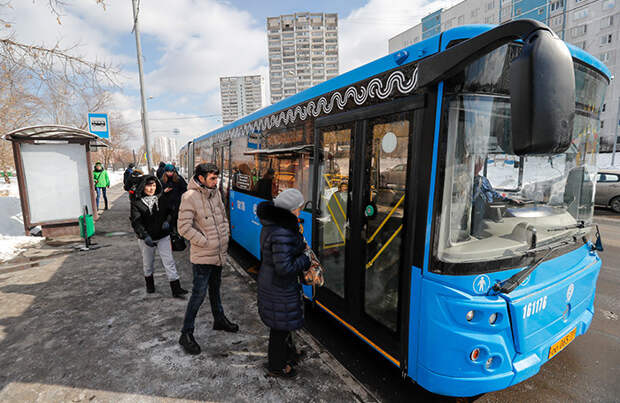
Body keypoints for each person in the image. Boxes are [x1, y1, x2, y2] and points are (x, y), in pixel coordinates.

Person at [178, 163, 239, 356]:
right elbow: (183, 228)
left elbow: (223, 218)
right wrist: (205, 242)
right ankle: (186, 333)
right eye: (212, 178)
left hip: (219, 253)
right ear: (201, 178)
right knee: (198, 294)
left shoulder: (215, 193)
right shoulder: (189, 197)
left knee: (215, 289)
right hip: (203, 255)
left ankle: (219, 319)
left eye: (217, 178)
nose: (216, 181)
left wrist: (225, 235)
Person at [256, 188, 312, 378]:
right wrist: (305, 259)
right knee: (279, 329)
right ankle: (277, 367)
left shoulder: (274, 225)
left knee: (282, 325)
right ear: (290, 210)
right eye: (298, 208)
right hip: (278, 288)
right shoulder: (282, 231)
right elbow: (284, 268)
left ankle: (288, 355)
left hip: (273, 285)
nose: (300, 212)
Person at [130, 175, 188, 298]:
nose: (152, 188)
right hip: (147, 239)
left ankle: (176, 289)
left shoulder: (161, 198)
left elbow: (170, 212)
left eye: (154, 185)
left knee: (169, 262)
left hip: (163, 236)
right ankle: (150, 286)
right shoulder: (136, 202)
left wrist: (168, 221)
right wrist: (144, 235)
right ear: (143, 186)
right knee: (148, 263)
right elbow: (136, 221)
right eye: (149, 185)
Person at [161, 163, 188, 232]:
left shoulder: (179, 179)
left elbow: (185, 188)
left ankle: (177, 233)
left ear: (174, 171)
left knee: (177, 219)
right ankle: (171, 234)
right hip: (167, 204)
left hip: (177, 202)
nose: (169, 173)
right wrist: (164, 191)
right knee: (169, 220)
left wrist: (180, 196)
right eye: (167, 172)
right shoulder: (162, 180)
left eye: (171, 172)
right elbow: (159, 192)